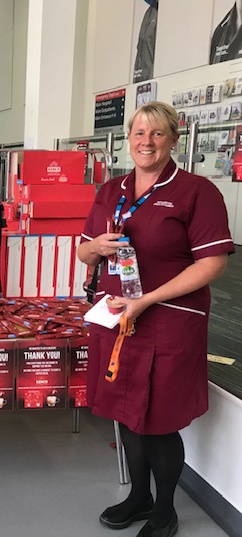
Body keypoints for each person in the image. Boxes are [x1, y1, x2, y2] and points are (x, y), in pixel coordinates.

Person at [78, 102, 234, 537]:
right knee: (127, 413)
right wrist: (99, 248)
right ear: (129, 138)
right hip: (117, 316)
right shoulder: (111, 191)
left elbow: (213, 264)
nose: (147, 141)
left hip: (168, 320)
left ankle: (165, 509)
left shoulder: (196, 192)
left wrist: (147, 300)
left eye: (158, 133)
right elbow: (83, 250)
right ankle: (139, 496)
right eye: (139, 132)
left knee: (158, 420)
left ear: (173, 140)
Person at [132, 0, 158, 83]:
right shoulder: (149, 12)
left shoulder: (164, 11)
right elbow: (140, 48)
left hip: (153, 81)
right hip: (141, 82)